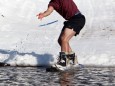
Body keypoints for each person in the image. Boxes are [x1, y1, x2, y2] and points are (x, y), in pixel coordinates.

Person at [36, 0, 85, 66]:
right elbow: (49, 11)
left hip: (77, 18)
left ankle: (63, 62)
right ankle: (72, 60)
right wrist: (43, 14)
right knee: (61, 41)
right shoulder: (52, 3)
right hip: (71, 20)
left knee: (64, 39)